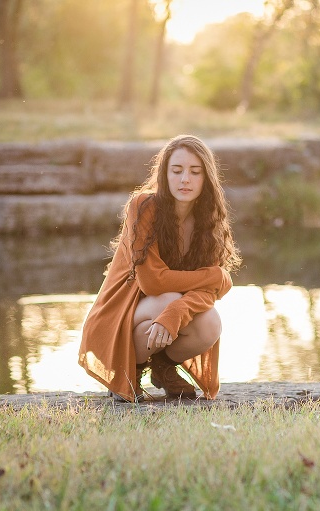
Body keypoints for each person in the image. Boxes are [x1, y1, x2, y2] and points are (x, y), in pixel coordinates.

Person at [78, 134, 240, 402]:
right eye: (176, 171)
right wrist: (211, 276)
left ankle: (162, 366)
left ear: (206, 178)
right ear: (164, 174)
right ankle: (128, 371)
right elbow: (153, 282)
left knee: (210, 323)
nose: (185, 179)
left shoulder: (208, 221)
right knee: (167, 298)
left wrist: (178, 310)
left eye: (194, 172)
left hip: (162, 311)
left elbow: (208, 291)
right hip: (120, 315)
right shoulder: (144, 207)